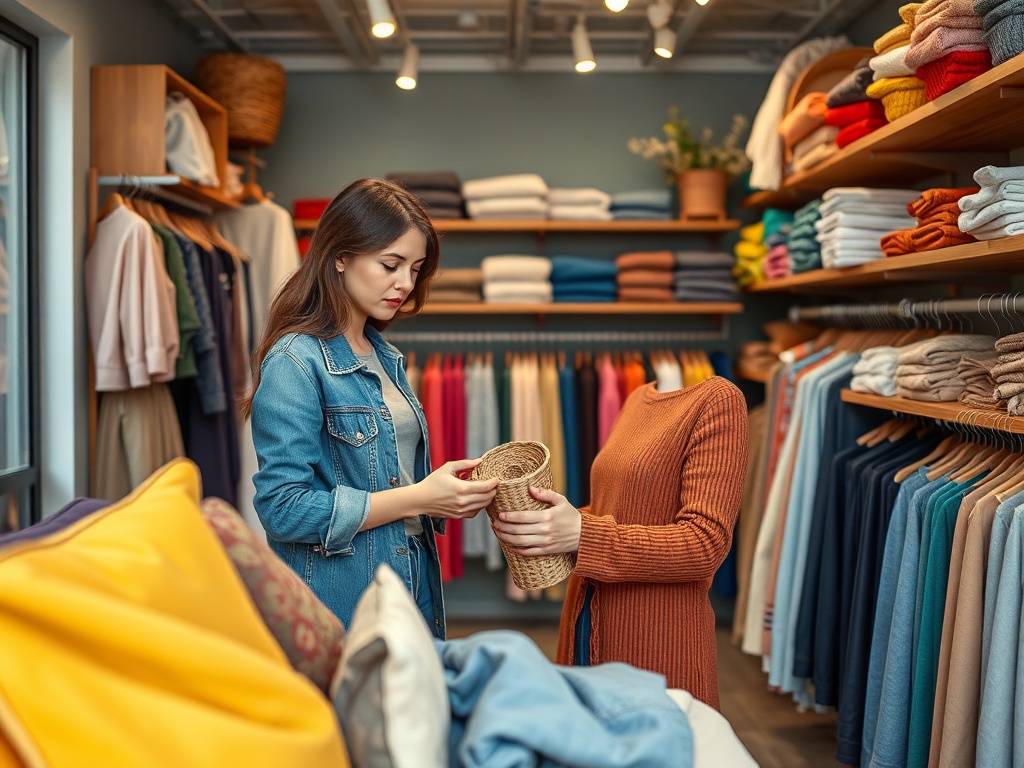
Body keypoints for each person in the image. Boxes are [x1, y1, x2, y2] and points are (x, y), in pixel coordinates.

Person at [244, 178, 498, 638]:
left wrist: (447, 493)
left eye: (415, 269)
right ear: (341, 256)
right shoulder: (296, 362)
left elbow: (379, 474)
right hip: (345, 595)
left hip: (412, 572)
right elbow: (282, 509)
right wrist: (418, 497)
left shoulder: (383, 355)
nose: (405, 283)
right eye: (390, 264)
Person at [491, 375, 748, 709]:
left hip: (656, 641)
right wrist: (547, 523)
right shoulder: (639, 397)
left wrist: (583, 532)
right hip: (588, 618)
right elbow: (614, 509)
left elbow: (704, 544)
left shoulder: (718, 401)